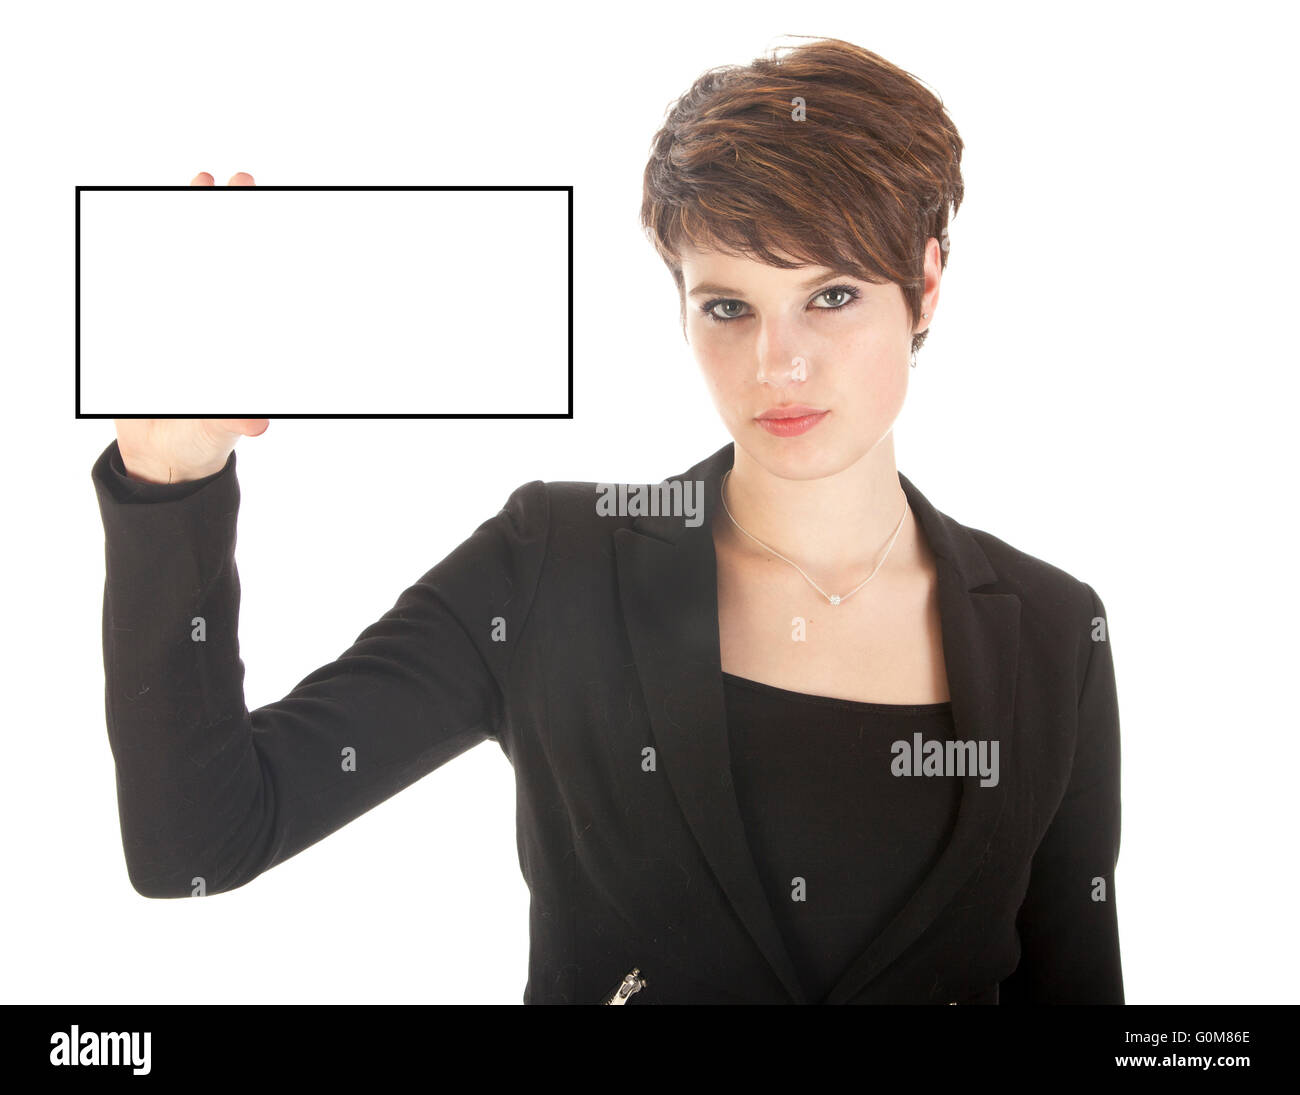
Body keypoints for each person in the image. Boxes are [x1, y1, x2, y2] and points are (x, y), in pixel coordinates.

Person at [91, 37, 1123, 1004]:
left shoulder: (1048, 629)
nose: (779, 365)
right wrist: (168, 478)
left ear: (926, 284)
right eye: (728, 307)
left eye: (833, 295)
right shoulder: (552, 567)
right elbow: (198, 844)